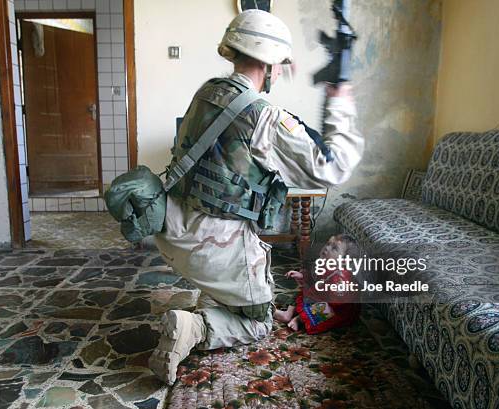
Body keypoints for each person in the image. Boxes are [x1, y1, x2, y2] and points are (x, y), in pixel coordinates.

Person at [148, 9, 364, 385]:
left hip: (171, 227)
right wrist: (340, 98)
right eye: (279, 63)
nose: (280, 70)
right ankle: (193, 328)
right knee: (260, 322)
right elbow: (334, 167)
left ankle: (215, 296)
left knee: (232, 280)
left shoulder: (208, 92)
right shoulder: (264, 116)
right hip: (214, 243)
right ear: (268, 63)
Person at [274, 234, 361, 334]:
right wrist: (303, 276)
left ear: (344, 261)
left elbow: (338, 301)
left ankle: (299, 319)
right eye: (328, 243)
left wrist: (318, 293)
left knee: (324, 309)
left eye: (334, 248)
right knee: (302, 292)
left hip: (337, 308)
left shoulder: (342, 277)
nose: (327, 248)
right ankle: (287, 314)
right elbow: (314, 278)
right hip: (322, 295)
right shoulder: (324, 263)